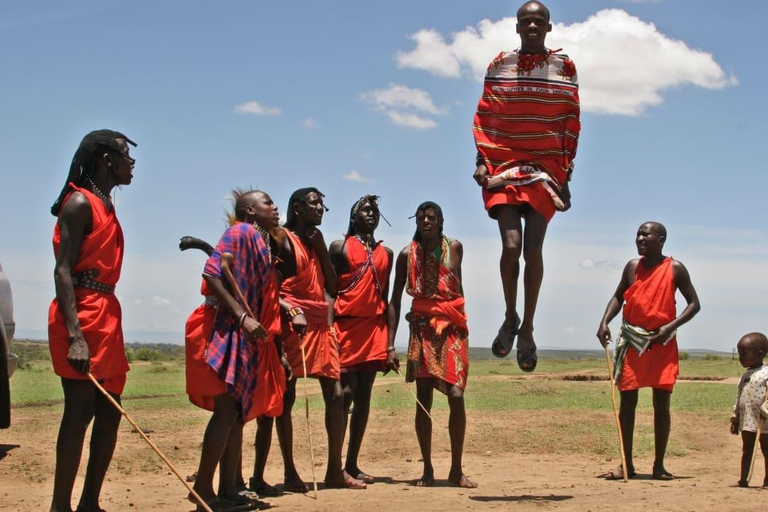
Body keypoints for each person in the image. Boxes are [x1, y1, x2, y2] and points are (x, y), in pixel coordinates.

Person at [472, 0, 581, 371]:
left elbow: (568, 120)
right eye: (526, 21)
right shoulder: (500, 65)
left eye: (539, 21)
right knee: (510, 244)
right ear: (517, 27)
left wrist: (566, 174)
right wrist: (481, 162)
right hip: (503, 164)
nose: (532, 26)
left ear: (548, 28)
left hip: (545, 170)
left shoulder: (563, 67)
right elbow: (487, 116)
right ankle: (510, 316)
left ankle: (529, 328)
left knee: (532, 251)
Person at [48, 130, 137, 512]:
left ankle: (90, 504)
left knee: (110, 412)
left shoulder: (106, 204)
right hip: (81, 313)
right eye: (125, 155)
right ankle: (60, 507)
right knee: (79, 410)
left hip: (106, 312)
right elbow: (63, 271)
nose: (131, 163)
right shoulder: (80, 203)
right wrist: (75, 337)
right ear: (106, 159)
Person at [190, 190, 290, 511]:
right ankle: (204, 490)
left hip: (243, 332)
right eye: (269, 203)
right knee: (227, 410)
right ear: (250, 209)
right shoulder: (241, 231)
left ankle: (229, 487)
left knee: (235, 412)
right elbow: (212, 272)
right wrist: (243, 317)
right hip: (226, 327)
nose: (275, 208)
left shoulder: (258, 241)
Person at [268, 187, 366, 490]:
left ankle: (334, 471)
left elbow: (333, 287)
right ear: (297, 208)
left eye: (323, 203)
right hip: (291, 320)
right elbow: (272, 287)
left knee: (336, 394)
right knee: (287, 395)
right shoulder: (281, 238)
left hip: (320, 323)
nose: (321, 208)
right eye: (314, 204)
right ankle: (289, 473)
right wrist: (290, 311)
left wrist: (321, 249)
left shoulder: (316, 241)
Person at [597, 221, 701, 480]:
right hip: (633, 342)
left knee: (661, 404)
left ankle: (659, 465)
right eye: (638, 234)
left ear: (661, 239)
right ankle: (626, 464)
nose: (640, 238)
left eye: (646, 234)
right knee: (627, 402)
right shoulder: (632, 267)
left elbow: (694, 304)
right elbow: (618, 297)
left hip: (661, 343)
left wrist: (670, 327)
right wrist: (604, 321)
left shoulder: (675, 268)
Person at [387, 201, 476, 488]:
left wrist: (458, 318)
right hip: (422, 329)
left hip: (451, 328)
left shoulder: (456, 248)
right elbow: (396, 300)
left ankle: (456, 469)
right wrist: (390, 345)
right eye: (422, 218)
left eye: (431, 218)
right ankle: (427, 469)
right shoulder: (405, 255)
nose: (426, 222)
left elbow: (458, 288)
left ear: (440, 221)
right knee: (423, 398)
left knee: (457, 395)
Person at [329, 195, 394, 483]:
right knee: (343, 396)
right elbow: (329, 292)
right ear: (354, 215)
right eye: (366, 210)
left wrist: (390, 343)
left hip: (373, 330)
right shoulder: (339, 247)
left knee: (364, 397)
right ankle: (335, 466)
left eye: (375, 211)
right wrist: (329, 330)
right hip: (343, 328)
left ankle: (352, 464)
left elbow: (386, 298)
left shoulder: (386, 253)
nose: (371, 214)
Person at [730, 332, 768, 488]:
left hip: (764, 420)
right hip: (748, 419)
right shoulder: (745, 375)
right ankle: (743, 478)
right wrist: (735, 417)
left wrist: (766, 409)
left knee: (766, 448)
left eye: (744, 354)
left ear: (760, 353)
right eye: (739, 354)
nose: (740, 358)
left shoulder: (766, 373)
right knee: (747, 449)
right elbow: (739, 398)